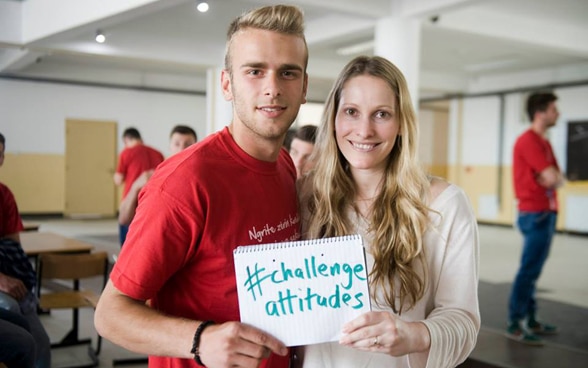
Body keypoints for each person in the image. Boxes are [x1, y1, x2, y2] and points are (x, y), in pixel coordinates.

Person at [95, 4, 308, 367]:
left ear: (304, 87)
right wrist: (199, 340)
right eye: (255, 71)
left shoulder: (285, 166)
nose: (272, 88)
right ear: (227, 84)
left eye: (287, 73)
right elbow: (109, 315)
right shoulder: (183, 183)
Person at [296, 56, 480, 368]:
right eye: (351, 112)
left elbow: (462, 321)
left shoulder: (443, 205)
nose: (364, 130)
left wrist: (414, 335)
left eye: (381, 114)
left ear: (401, 124)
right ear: (334, 119)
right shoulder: (304, 196)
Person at [506, 91, 563, 345]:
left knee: (534, 271)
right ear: (540, 113)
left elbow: (557, 176)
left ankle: (530, 318)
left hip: (547, 211)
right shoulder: (528, 141)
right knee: (528, 271)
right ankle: (515, 322)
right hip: (535, 213)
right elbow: (552, 178)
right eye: (553, 109)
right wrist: (548, 177)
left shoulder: (545, 143)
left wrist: (551, 177)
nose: (557, 113)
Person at [0, 132, 51, 368]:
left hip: (7, 278)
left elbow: (12, 248)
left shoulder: (4, 194)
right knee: (12, 308)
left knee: (39, 339)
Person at [118, 125, 198, 226]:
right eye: (177, 144)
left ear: (196, 147)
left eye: (188, 144)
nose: (182, 149)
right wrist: (135, 187)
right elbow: (123, 219)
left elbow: (118, 179)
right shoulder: (154, 174)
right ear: (170, 147)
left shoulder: (200, 181)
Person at [113, 127, 164, 245]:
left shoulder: (126, 153)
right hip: (152, 202)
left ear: (126, 140)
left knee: (127, 243)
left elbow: (118, 180)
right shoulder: (158, 153)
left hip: (131, 202)